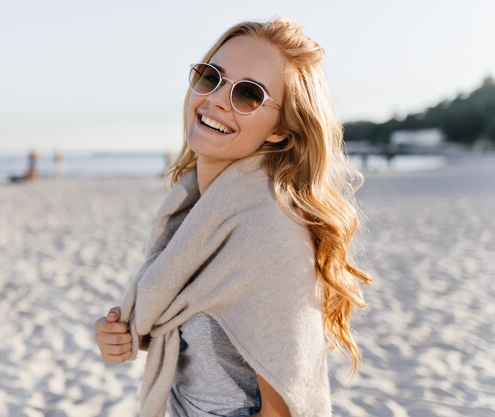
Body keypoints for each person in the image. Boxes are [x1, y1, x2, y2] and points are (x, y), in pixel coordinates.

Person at [93, 16, 373, 417]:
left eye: (248, 95)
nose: (218, 100)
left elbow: (283, 410)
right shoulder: (193, 207)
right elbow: (179, 320)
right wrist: (116, 334)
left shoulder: (268, 231)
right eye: (211, 78)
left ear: (280, 129)